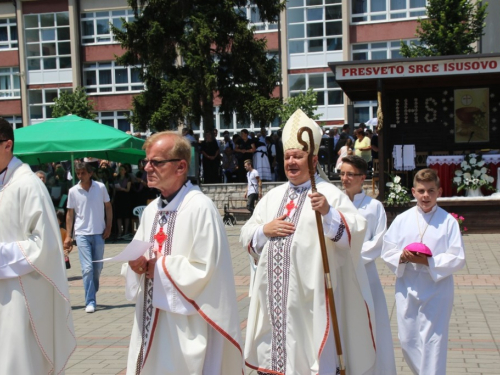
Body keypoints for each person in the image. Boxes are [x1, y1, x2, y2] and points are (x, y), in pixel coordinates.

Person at [240, 109, 376, 375]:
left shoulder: (328, 194)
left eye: (298, 157)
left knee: (307, 358)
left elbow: (355, 232)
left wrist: (328, 213)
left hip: (311, 299)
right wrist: (264, 230)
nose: (291, 162)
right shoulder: (272, 196)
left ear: (313, 161)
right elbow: (247, 234)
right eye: (288, 156)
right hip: (274, 299)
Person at [123, 131, 243, 374]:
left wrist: (157, 267)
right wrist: (134, 265)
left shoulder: (200, 208)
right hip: (151, 317)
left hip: (185, 324)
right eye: (145, 162)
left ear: (180, 167)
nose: (147, 167)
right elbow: (135, 254)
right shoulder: (151, 211)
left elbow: (206, 270)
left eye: (155, 162)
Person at [0, 118, 76, 373]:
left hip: (21, 295)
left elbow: (45, 245)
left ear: (7, 145)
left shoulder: (28, 185)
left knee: (18, 361)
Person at [382, 169, 465, 375]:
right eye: (421, 191)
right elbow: (388, 249)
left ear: (439, 192)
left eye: (430, 191)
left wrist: (431, 262)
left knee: (433, 341)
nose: (425, 196)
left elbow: (457, 256)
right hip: (407, 285)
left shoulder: (448, 222)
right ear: (413, 192)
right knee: (407, 339)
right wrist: (402, 256)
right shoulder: (403, 219)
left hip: (437, 287)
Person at [340, 155, 397, 375]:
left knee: (371, 323)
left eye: (350, 174)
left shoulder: (374, 207)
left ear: (362, 177)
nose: (345, 178)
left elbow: (378, 241)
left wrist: (351, 254)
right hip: (340, 272)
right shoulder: (334, 202)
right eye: (342, 173)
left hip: (365, 272)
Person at [65, 162, 113, 313]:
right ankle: (90, 301)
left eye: (83, 173)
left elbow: (108, 206)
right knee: (87, 268)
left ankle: (92, 289)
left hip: (99, 232)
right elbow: (70, 213)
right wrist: (68, 235)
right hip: (81, 234)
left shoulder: (100, 187)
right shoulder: (73, 191)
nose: (80, 176)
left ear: (90, 173)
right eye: (78, 173)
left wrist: (109, 226)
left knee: (97, 268)